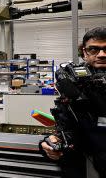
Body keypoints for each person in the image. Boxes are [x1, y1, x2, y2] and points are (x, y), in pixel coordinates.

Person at [41, 27, 106, 169]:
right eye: (94, 49)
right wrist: (51, 142)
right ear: (84, 52)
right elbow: (68, 125)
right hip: (84, 175)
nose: (101, 54)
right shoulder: (76, 82)